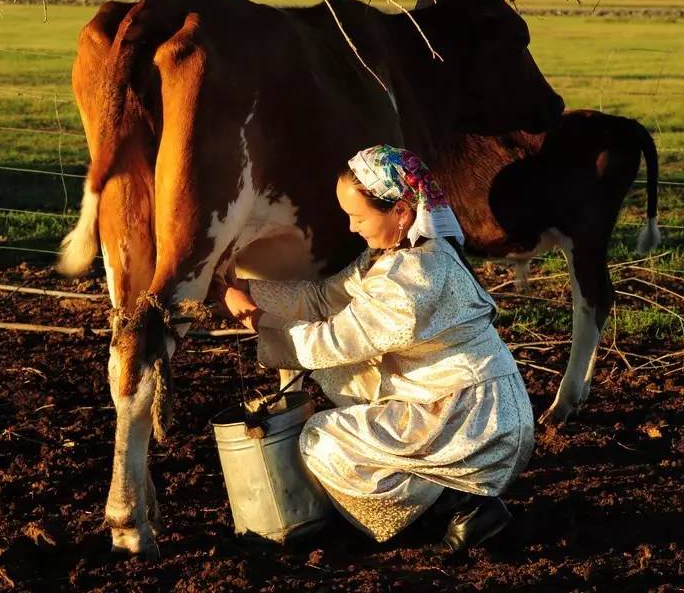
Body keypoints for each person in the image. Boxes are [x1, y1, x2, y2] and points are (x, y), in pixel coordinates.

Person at [220, 144, 534, 552]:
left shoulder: (414, 276)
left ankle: (461, 504)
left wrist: (255, 318)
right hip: (454, 402)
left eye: (358, 217)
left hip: (473, 419)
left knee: (323, 439)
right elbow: (323, 299)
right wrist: (246, 290)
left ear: (401, 212)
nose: (352, 228)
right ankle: (447, 505)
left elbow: (333, 340)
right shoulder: (392, 257)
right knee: (346, 394)